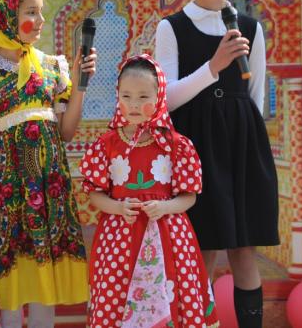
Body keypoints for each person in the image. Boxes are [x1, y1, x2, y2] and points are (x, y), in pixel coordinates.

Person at [0, 0, 96, 327]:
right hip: (5, 199)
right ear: (5, 18)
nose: (41, 20)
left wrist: (79, 84)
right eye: (32, 12)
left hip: (48, 192)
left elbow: (65, 132)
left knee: (45, 285)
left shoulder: (52, 67)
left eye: (41, 12)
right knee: (9, 287)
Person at [155, 0, 279, 328]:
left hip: (242, 143)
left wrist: (244, 136)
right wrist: (213, 67)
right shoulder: (172, 28)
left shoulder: (250, 28)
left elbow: (254, 95)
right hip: (195, 146)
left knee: (244, 250)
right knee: (201, 250)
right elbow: (166, 98)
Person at [81, 54, 218, 328]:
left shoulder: (177, 146)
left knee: (172, 293)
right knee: (116, 297)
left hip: (169, 238)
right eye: (126, 96)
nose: (133, 104)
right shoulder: (105, 145)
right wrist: (117, 207)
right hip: (119, 239)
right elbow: (94, 193)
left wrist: (166, 207)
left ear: (160, 97)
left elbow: (188, 197)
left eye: (143, 97)